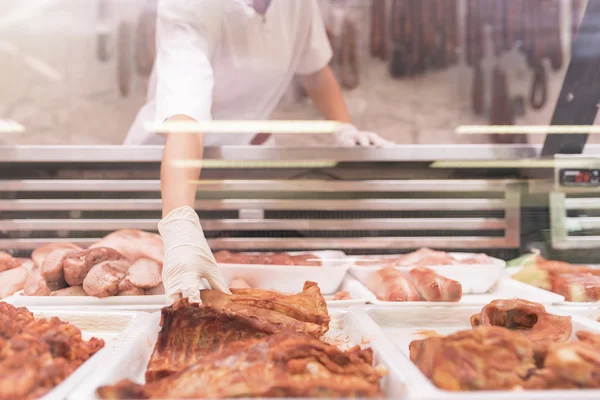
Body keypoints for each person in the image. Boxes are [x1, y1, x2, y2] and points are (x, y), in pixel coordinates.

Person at [132, 0, 391, 304]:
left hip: (238, 167)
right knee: (154, 288)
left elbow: (315, 70)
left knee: (233, 282)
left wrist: (344, 127)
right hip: (169, 172)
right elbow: (186, 119)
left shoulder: (299, 5)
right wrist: (178, 226)